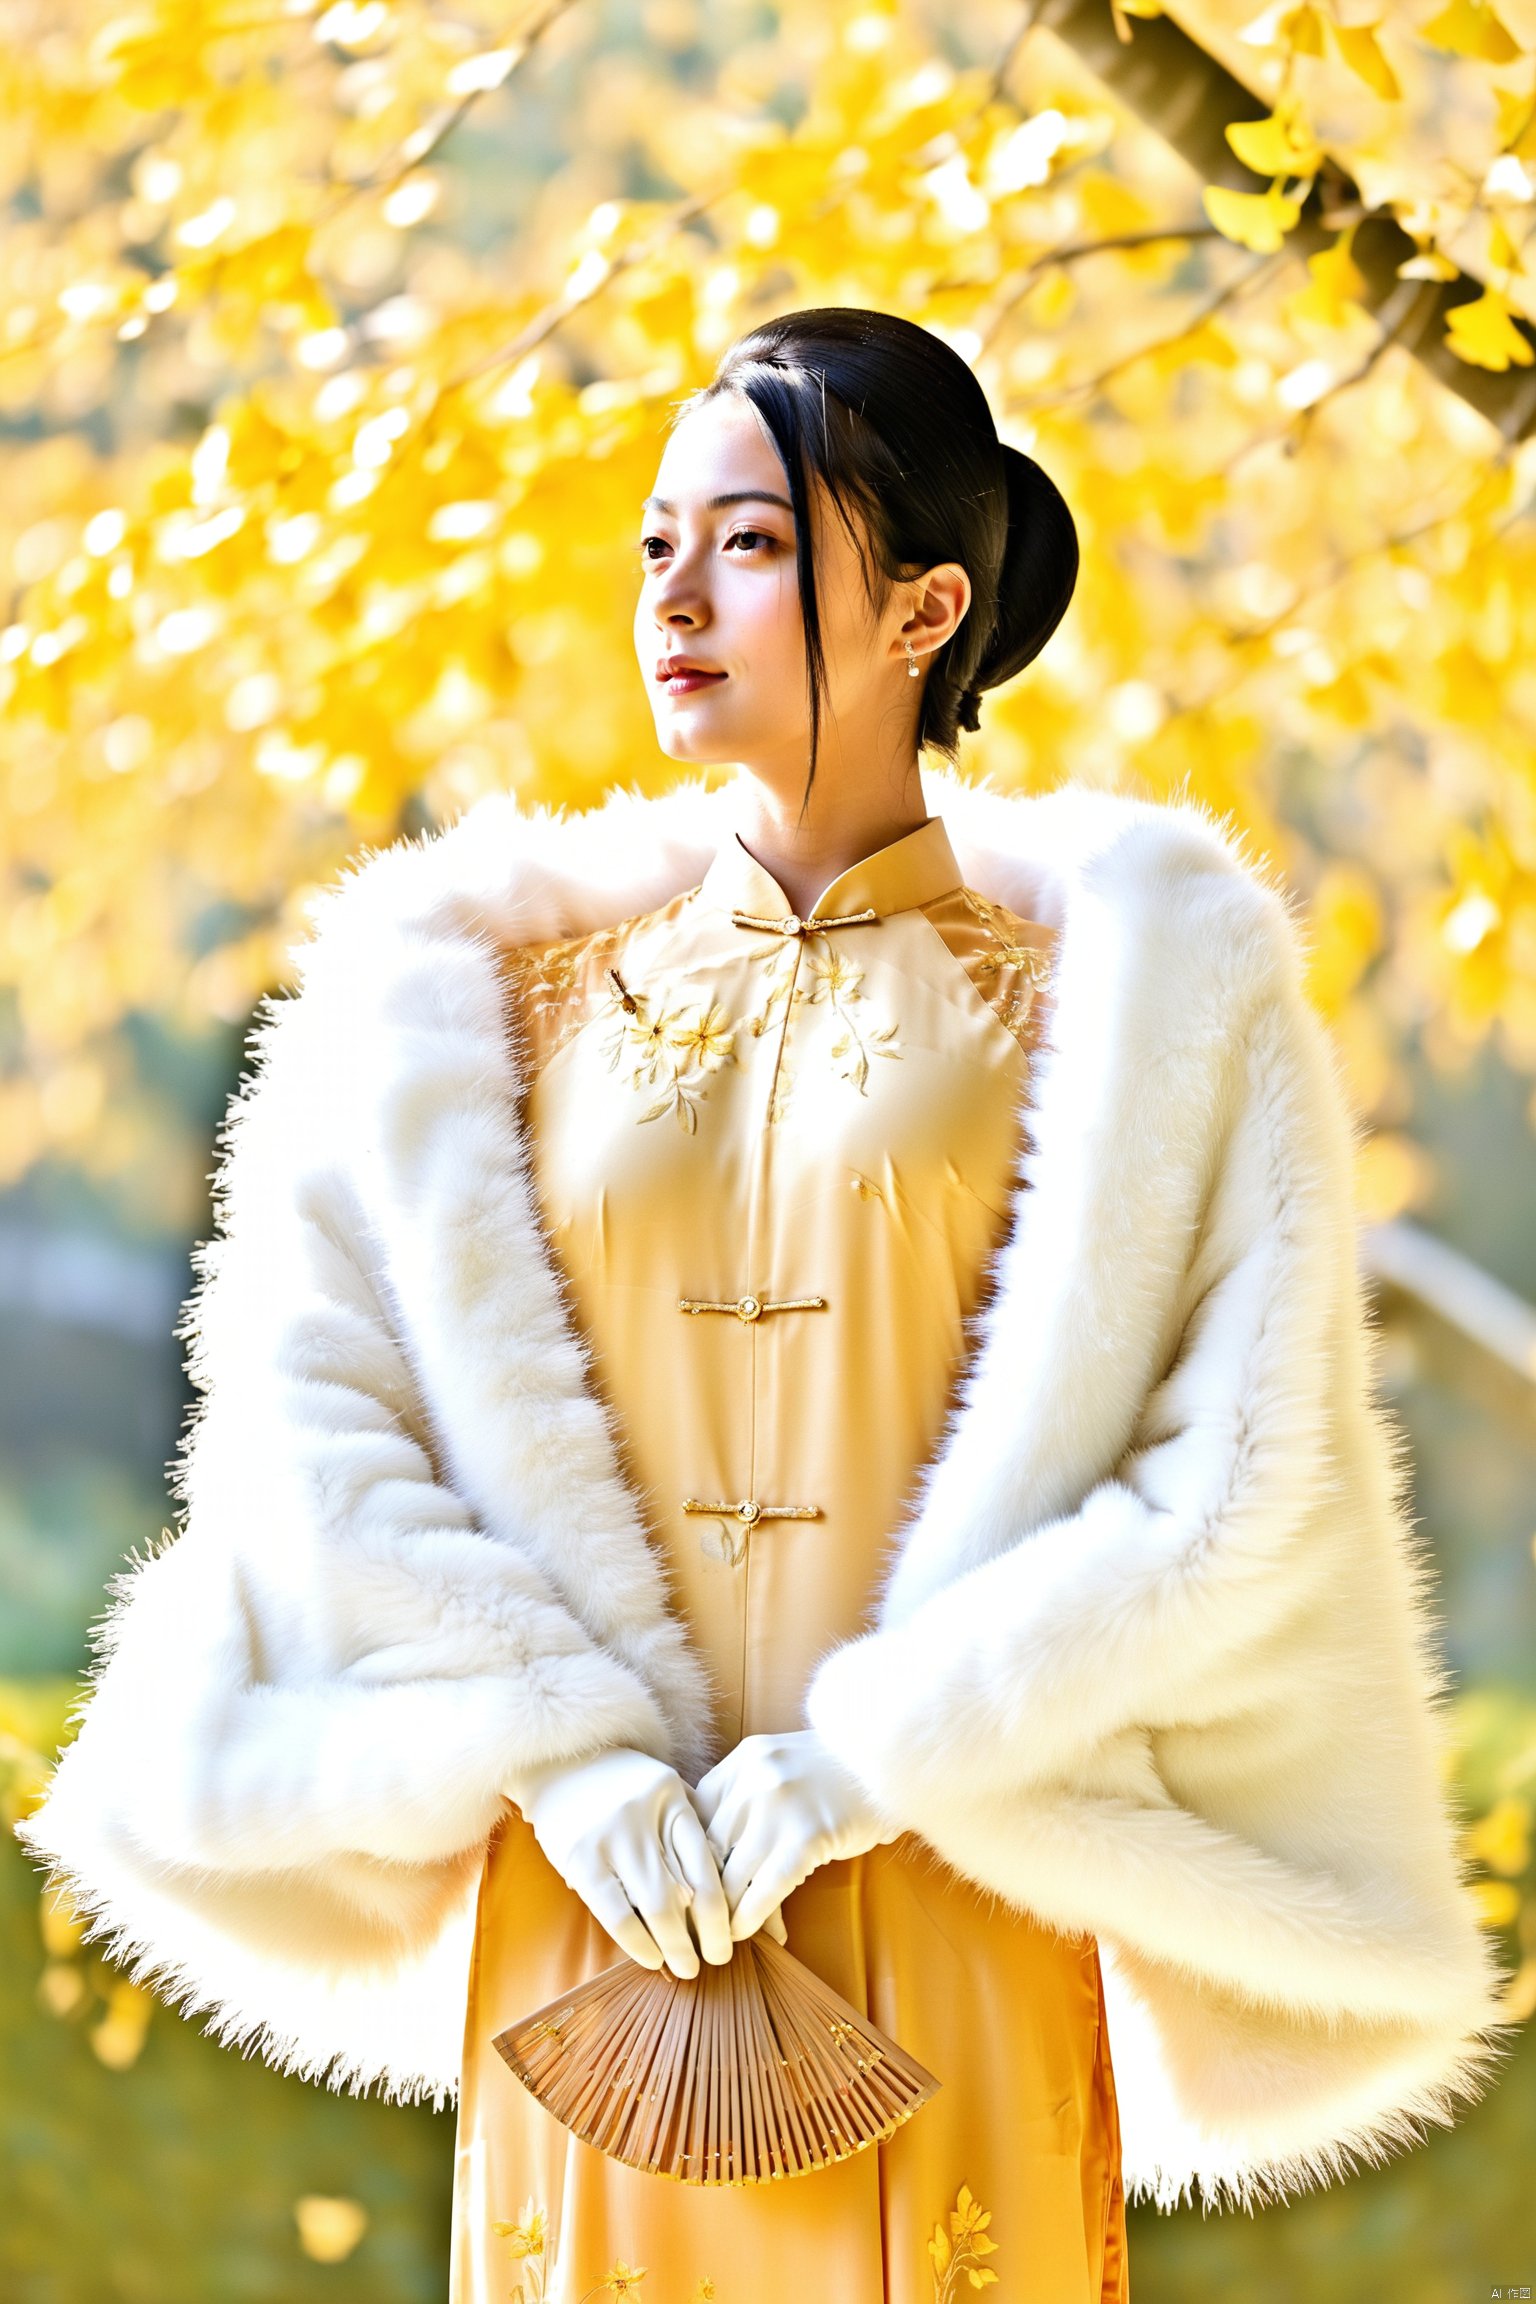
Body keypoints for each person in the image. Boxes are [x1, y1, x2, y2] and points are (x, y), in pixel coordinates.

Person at [20, 309, 1513, 2304]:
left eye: (748, 543)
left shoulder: (1123, 1017)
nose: (676, 596)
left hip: (956, 1878)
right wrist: (563, 1757)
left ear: (926, 607)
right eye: (655, 545)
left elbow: (1224, 1488)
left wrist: (865, 1763)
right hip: (600, 1923)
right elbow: (313, 1427)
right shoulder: (474, 1011)